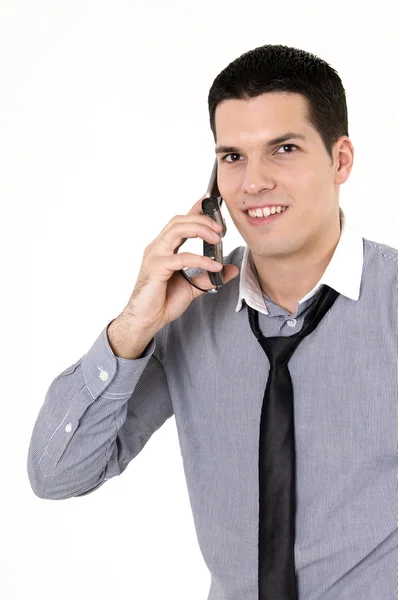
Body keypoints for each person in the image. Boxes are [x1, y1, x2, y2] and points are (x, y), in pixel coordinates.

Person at [27, 44, 398, 599]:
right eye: (233, 157)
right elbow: (58, 474)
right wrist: (132, 327)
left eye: (284, 149)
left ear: (340, 159)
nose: (253, 183)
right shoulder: (189, 313)